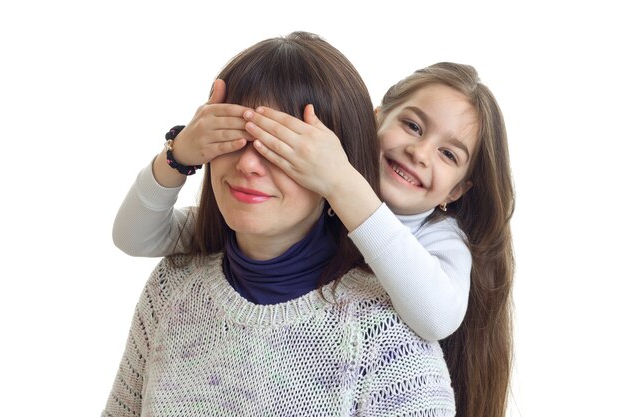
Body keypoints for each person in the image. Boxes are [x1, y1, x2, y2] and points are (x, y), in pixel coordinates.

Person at [113, 59, 514, 416]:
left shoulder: (439, 241)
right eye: (412, 125)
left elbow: (437, 315)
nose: (420, 152)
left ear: (457, 192)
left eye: (449, 154)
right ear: (374, 121)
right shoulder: (197, 275)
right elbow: (137, 236)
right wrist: (179, 154)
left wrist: (340, 180)